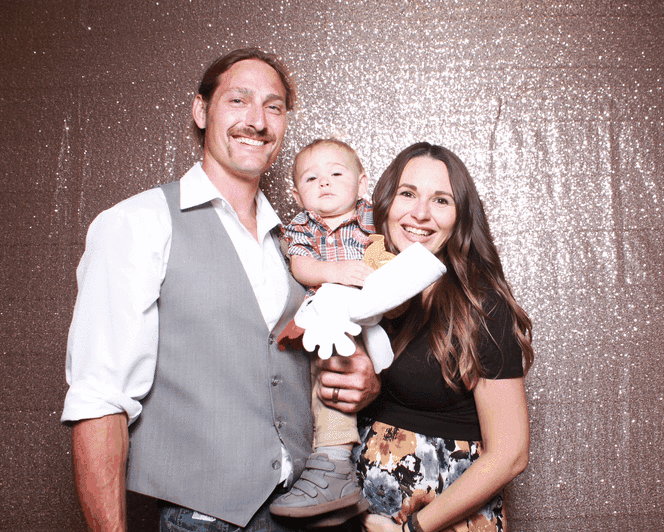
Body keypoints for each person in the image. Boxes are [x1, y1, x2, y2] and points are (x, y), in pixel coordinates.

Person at [61, 48, 379, 532]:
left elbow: (297, 361)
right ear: (201, 110)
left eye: (273, 107)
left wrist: (364, 381)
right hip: (204, 519)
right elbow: (100, 401)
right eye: (238, 100)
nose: (257, 121)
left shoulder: (294, 243)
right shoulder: (138, 222)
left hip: (306, 515)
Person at [354, 143, 534, 532]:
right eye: (407, 194)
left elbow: (510, 453)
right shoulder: (360, 291)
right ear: (384, 203)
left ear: (460, 217)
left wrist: (414, 528)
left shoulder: (480, 306)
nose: (420, 213)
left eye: (440, 200)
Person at [270, 139, 375, 519]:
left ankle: (334, 466)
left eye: (336, 173)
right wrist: (335, 272)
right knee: (327, 372)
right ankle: (333, 460)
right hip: (329, 316)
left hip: (370, 312)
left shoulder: (372, 217)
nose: (325, 182)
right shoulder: (302, 226)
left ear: (362, 184)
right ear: (297, 195)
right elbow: (301, 267)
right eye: (311, 178)